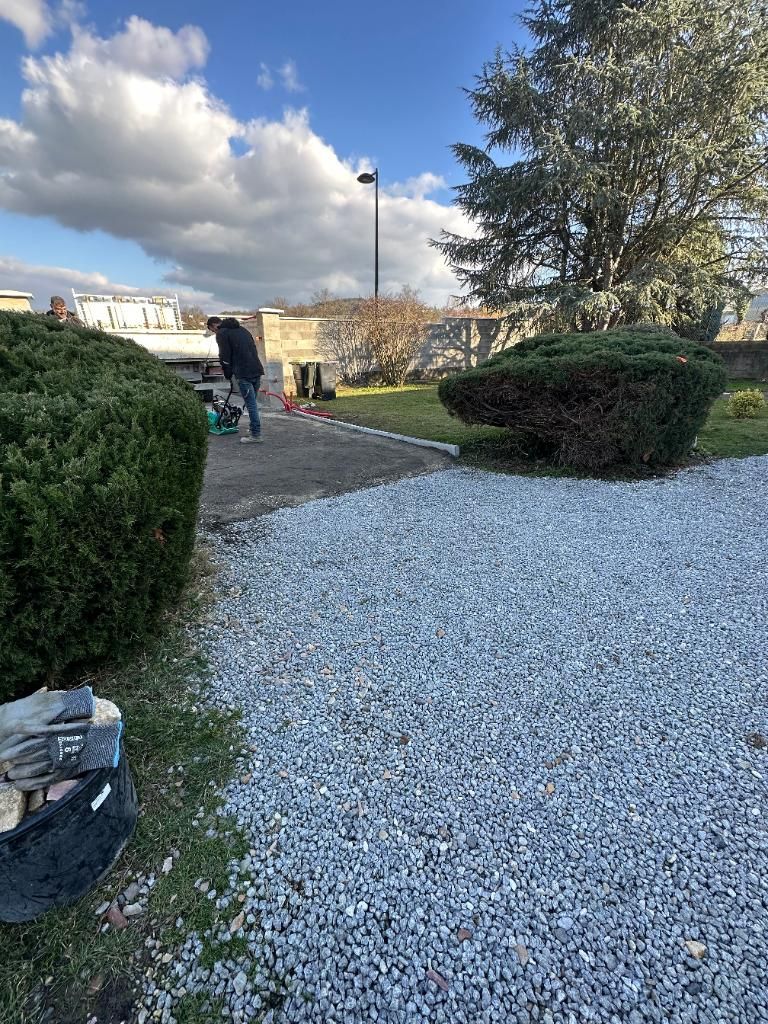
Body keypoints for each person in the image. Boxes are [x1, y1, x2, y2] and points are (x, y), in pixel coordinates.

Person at [207, 316, 265, 444]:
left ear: (213, 326)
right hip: (257, 370)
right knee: (252, 403)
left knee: (251, 405)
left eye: (212, 330)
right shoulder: (242, 330)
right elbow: (252, 350)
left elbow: (224, 356)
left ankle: (256, 435)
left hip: (244, 373)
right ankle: (253, 429)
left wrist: (228, 373)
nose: (214, 332)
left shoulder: (222, 333)